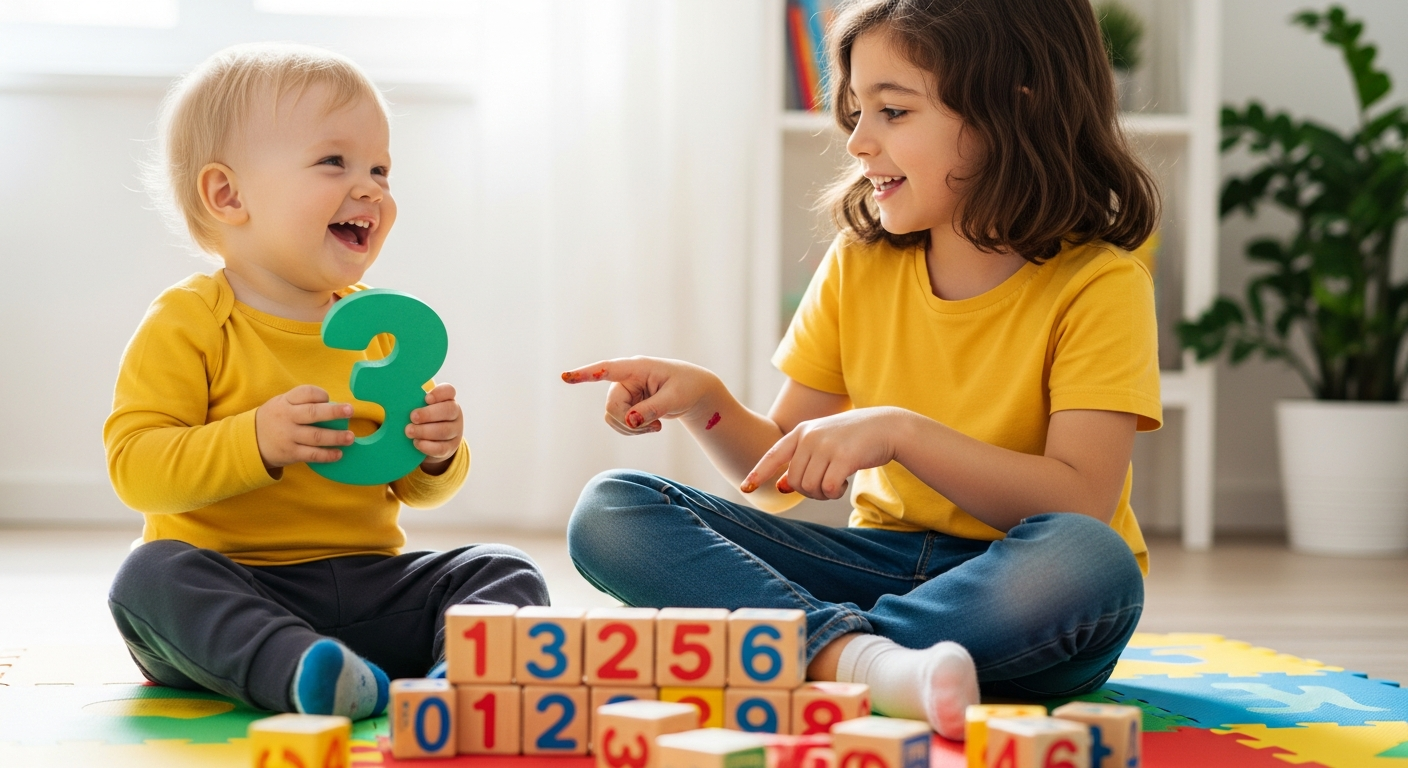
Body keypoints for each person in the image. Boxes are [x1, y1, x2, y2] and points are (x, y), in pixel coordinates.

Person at [563, 0, 1159, 740]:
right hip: (879, 563)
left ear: (1012, 109)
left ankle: (815, 650)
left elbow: (1080, 504)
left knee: (1089, 562)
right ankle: (865, 662)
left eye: (893, 111)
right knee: (613, 508)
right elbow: (779, 471)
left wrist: (902, 433)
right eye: (855, 111)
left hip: (1015, 593)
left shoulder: (1101, 283)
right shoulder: (860, 261)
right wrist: (706, 403)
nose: (857, 141)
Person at [104, 44, 547, 720]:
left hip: (367, 584)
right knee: (149, 577)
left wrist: (436, 452)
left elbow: (413, 489)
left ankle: (455, 682)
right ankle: (300, 670)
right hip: (235, 586)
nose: (370, 187)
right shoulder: (191, 320)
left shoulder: (371, 326)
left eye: (381, 169)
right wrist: (257, 439)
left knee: (501, 568)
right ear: (228, 194)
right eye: (334, 162)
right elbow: (136, 467)